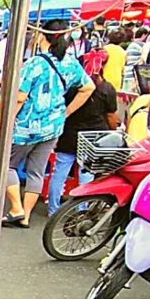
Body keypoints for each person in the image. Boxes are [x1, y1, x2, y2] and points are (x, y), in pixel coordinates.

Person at [2, 20, 94, 228]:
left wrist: (4, 123)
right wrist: (65, 112)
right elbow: (88, 87)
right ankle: (25, 216)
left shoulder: (35, 64)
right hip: (52, 127)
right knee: (36, 171)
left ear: (43, 36)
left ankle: (16, 208)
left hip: (25, 127)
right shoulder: (71, 63)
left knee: (6, 165)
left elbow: (20, 97)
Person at [48, 50, 117, 215]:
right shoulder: (107, 88)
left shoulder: (71, 86)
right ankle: (81, 210)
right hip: (94, 137)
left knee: (60, 173)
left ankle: (53, 209)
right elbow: (111, 116)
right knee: (86, 175)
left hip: (69, 134)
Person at [125, 26, 147, 91]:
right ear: (144, 35)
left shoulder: (131, 45)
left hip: (127, 74)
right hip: (134, 76)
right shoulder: (142, 45)